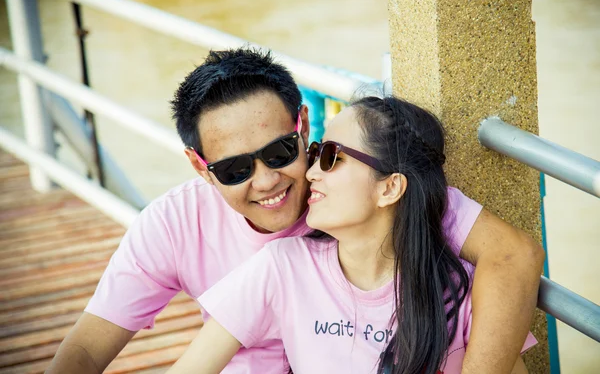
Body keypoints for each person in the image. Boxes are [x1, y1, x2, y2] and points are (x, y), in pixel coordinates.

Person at [47, 48, 544, 374]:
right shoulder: (184, 228)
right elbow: (88, 348)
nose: (269, 181)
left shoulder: (378, 203)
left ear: (303, 125)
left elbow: (512, 255)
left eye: (283, 152)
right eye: (235, 169)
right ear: (200, 167)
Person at [166, 96, 537, 374]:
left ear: (389, 188)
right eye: (314, 154)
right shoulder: (282, 266)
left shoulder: (461, 293)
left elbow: (517, 254)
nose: (310, 173)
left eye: (332, 157)